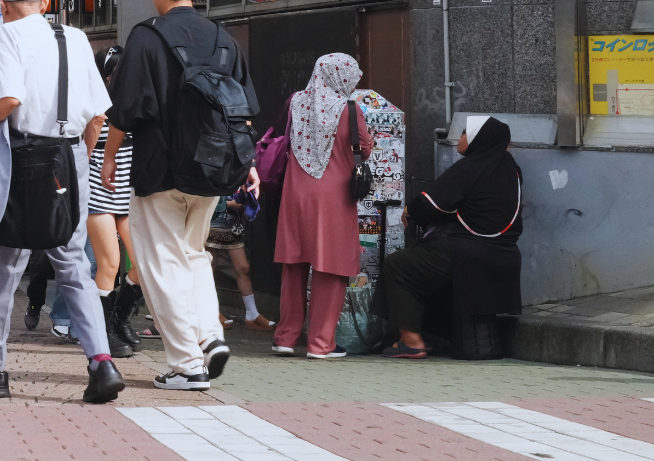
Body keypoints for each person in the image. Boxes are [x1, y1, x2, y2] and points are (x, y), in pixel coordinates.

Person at [0, 0, 124, 405]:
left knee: (4, 264)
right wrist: (76, 159)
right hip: (69, 158)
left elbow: (8, 100)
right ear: (44, 2)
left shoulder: (6, 36)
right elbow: (98, 117)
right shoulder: (74, 38)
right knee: (74, 263)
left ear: (4, 6)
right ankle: (102, 362)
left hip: (21, 157)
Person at [100, 0, 259, 391]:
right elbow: (243, 113)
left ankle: (188, 364)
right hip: (212, 171)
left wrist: (110, 157)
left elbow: (125, 108)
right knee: (193, 255)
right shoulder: (224, 39)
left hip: (160, 170)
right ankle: (209, 335)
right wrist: (249, 165)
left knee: (160, 263)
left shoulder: (147, 37)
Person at [375, 116, 523, 359]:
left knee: (398, 266)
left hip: (465, 250)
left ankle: (411, 342)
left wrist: (410, 211)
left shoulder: (470, 167)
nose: (459, 138)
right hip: (505, 254)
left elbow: (429, 203)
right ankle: (440, 337)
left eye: (464, 133)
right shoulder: (512, 170)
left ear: (478, 139)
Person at [272, 53, 373, 360]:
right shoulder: (348, 108)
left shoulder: (296, 102)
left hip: (296, 194)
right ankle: (320, 343)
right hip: (334, 196)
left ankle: (285, 338)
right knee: (331, 266)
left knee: (294, 264)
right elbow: (364, 148)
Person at [86, 46, 146, 357]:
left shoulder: (136, 102)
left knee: (144, 264)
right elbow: (85, 151)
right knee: (109, 263)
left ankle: (119, 319)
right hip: (98, 191)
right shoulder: (94, 104)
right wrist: (96, 121)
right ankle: (103, 332)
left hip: (129, 194)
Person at [208, 190, 273, 332]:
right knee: (209, 267)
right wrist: (229, 204)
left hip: (233, 225)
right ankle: (211, 312)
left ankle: (252, 313)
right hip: (212, 222)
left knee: (243, 267)